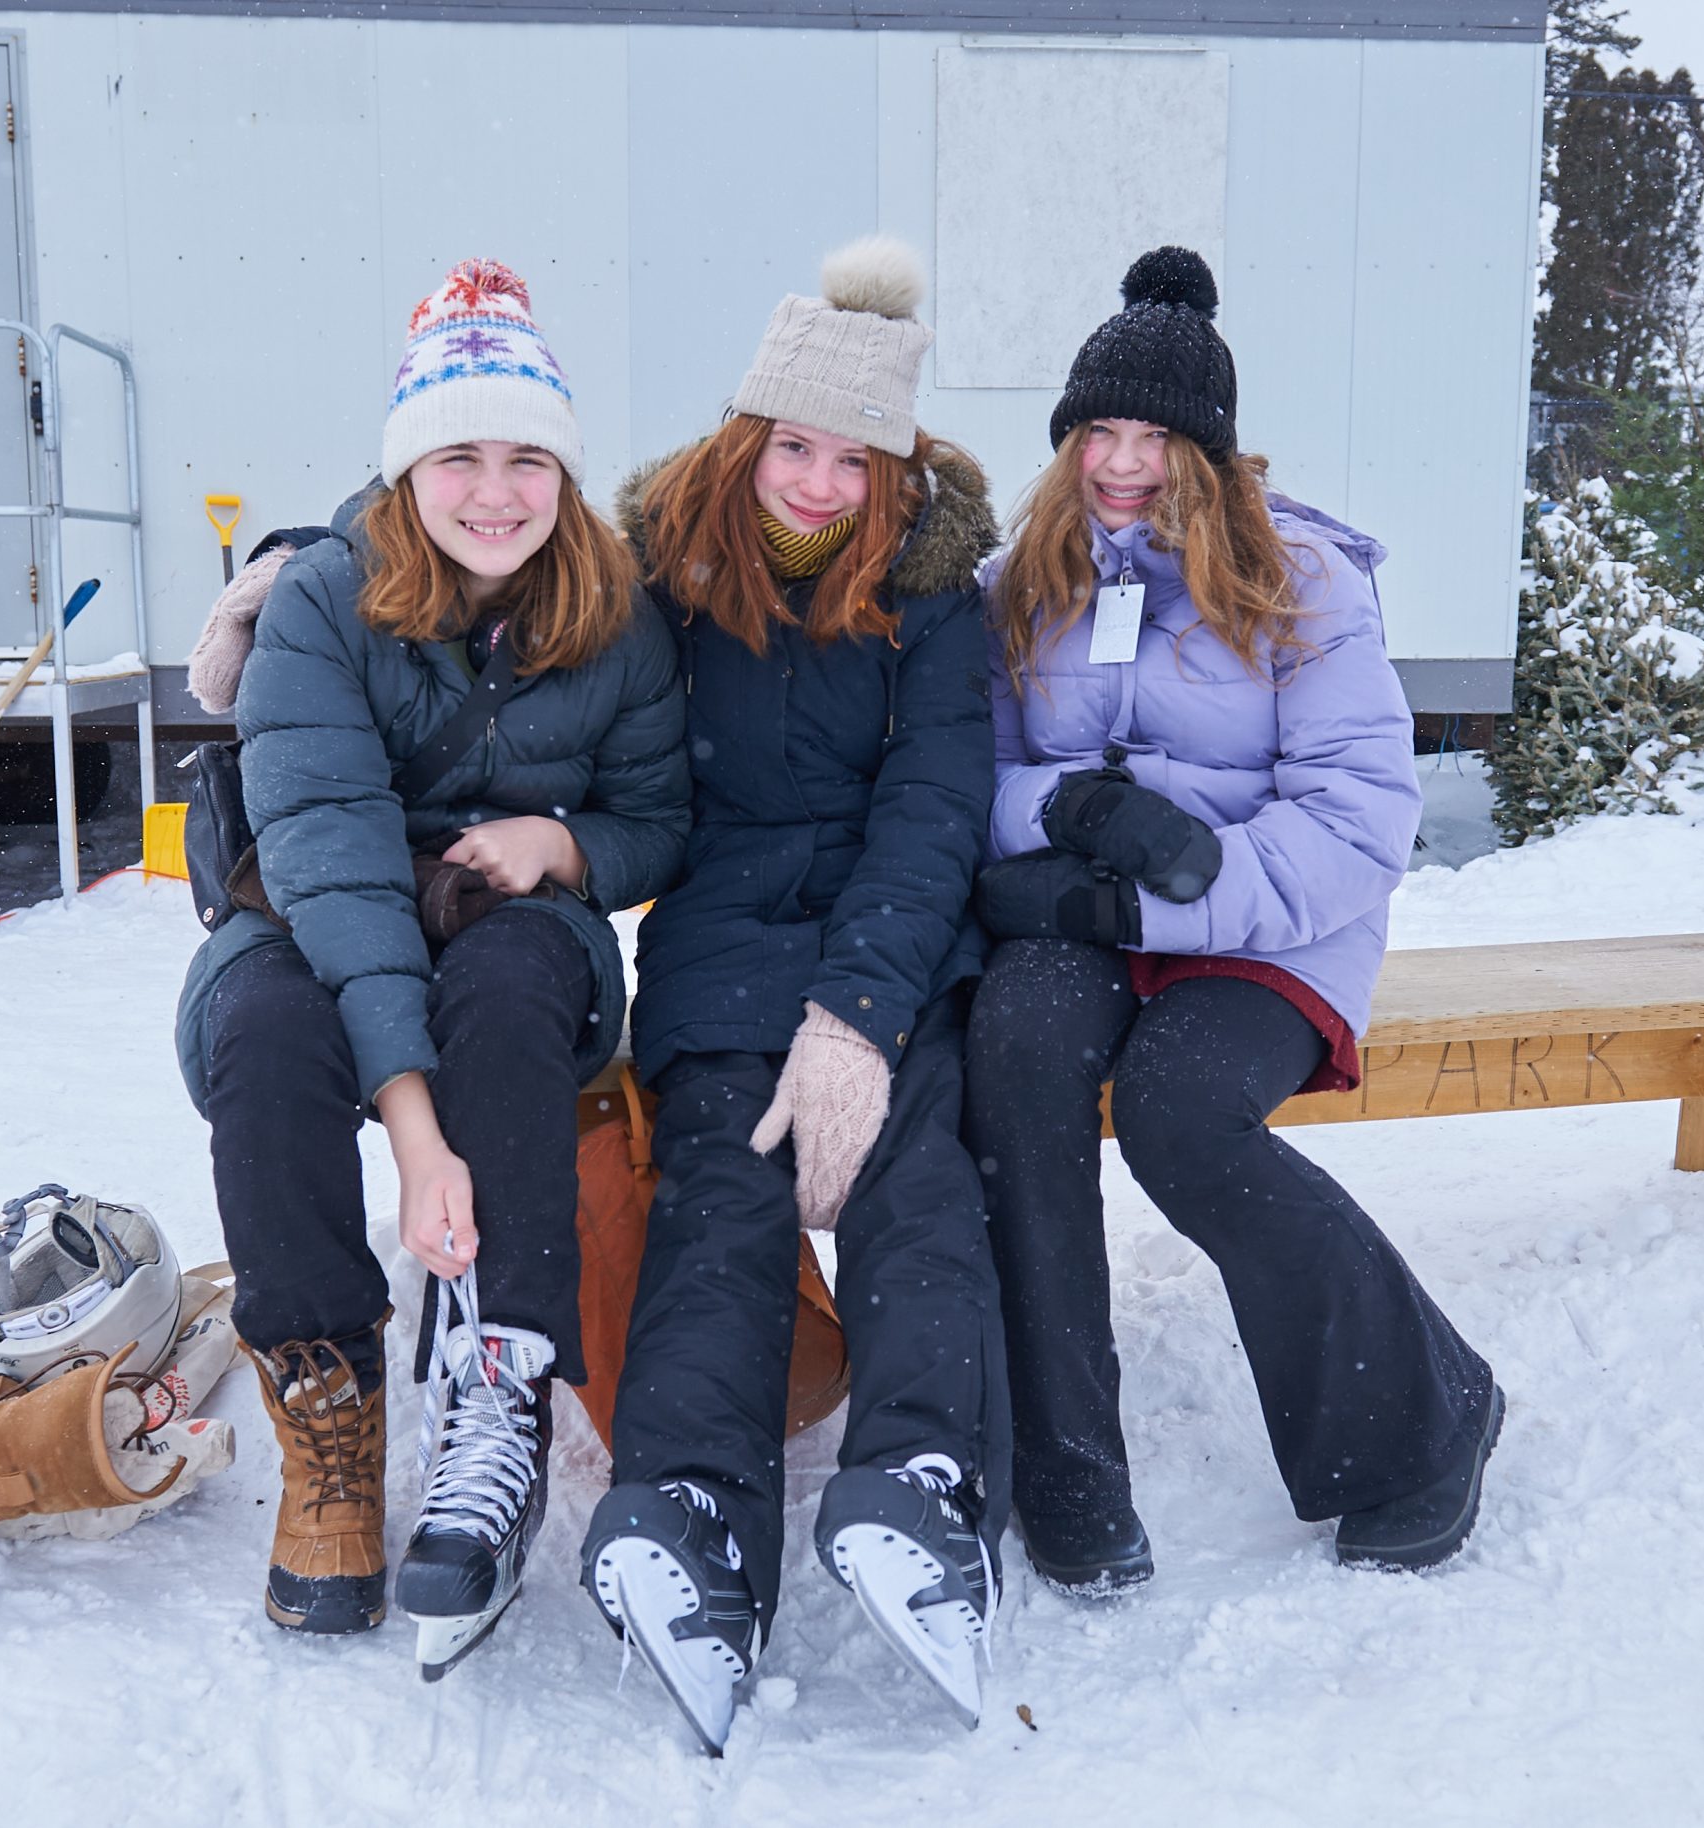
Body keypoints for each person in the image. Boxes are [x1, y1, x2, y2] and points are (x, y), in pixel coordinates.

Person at [172, 260, 690, 1670]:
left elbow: (660, 818)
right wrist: (412, 1127)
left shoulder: (616, 611)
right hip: (313, 906)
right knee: (270, 1045)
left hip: (513, 920)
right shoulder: (326, 604)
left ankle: (499, 1389)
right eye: (458, 453)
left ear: (566, 473)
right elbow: (334, 856)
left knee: (514, 993)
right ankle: (328, 1412)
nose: (496, 491)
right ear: (407, 469)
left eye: (528, 456)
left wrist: (565, 849)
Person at [964, 248, 1502, 1591]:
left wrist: (1160, 883)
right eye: (1101, 431)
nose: (1124, 463)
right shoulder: (1019, 578)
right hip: (1086, 917)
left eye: (1156, 436)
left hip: (1271, 927)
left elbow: (1359, 820)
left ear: (1207, 452)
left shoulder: (1301, 579)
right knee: (1015, 1062)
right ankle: (1067, 1466)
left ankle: (1426, 1420)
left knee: (1180, 1112)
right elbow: (958, 778)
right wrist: (1073, 826)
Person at [575, 238, 1009, 1753]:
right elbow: (488, 593)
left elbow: (936, 809)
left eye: (858, 458)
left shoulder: (934, 597)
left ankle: (925, 1485)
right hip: (712, 953)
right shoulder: (662, 568)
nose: (822, 486)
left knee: (916, 1189)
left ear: (900, 466)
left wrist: (860, 1021)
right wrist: (295, 567)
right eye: (798, 447)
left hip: (888, 954)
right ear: (751, 434)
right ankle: (690, 1505)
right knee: (723, 1206)